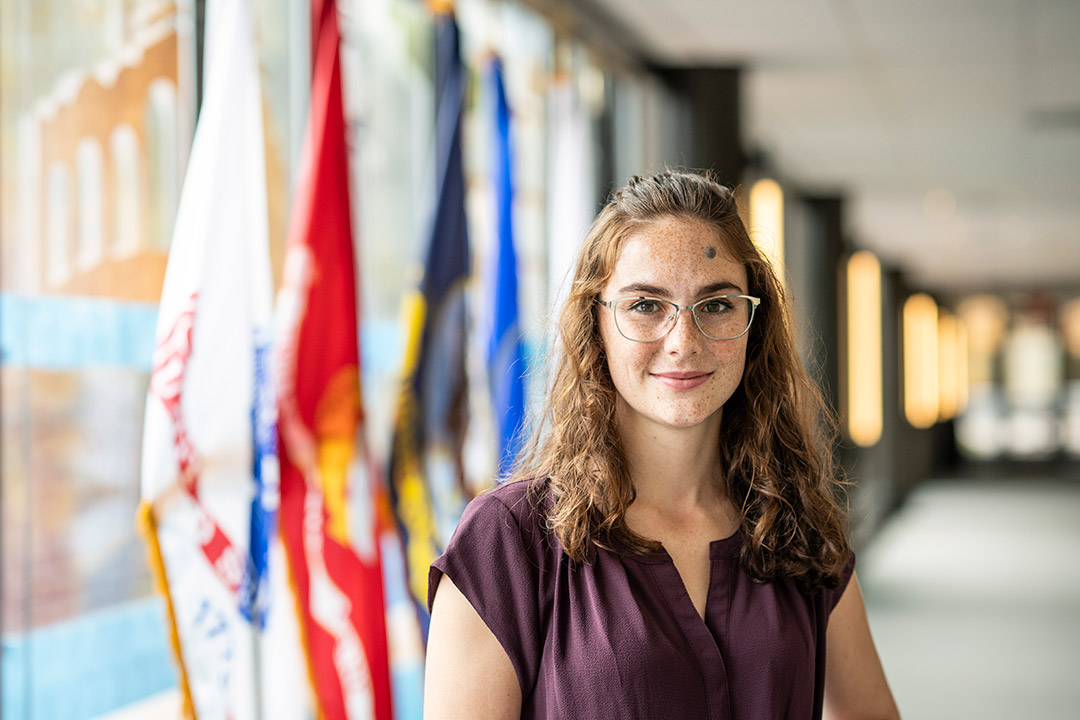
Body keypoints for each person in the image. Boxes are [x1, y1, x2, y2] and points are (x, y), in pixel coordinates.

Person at [424, 171, 900, 719]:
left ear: (753, 322)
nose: (683, 342)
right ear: (595, 323)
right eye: (646, 306)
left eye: (717, 305)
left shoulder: (795, 528)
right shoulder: (509, 543)